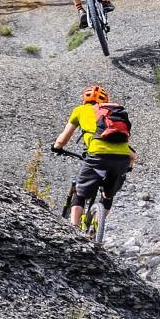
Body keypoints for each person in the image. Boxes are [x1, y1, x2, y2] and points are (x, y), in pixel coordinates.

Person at [52, 84, 133, 230]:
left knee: (80, 191)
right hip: (122, 158)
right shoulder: (112, 115)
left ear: (85, 100)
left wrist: (56, 147)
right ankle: (95, 231)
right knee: (108, 195)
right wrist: (128, 167)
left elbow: (62, 139)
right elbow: (133, 156)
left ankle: (74, 229)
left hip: (97, 156)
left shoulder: (80, 110)